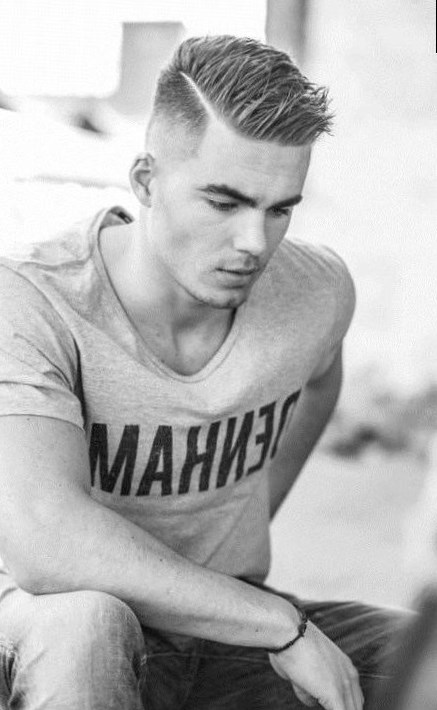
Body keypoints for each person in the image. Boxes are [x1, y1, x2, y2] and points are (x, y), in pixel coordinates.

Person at [0, 35, 406, 710]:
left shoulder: (316, 290)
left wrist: (245, 532)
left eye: (279, 208)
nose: (254, 242)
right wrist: (279, 626)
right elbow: (45, 542)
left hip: (227, 635)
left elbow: (319, 380)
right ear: (145, 181)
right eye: (224, 203)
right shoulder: (31, 301)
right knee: (87, 623)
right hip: (50, 634)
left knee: (422, 651)